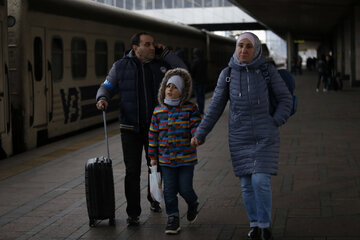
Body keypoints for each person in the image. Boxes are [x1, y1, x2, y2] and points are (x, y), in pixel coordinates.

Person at [191, 32, 292, 240]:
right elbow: (215, 107)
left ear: (256, 50)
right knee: (246, 184)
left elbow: (285, 99)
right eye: (240, 46)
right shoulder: (227, 74)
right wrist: (200, 133)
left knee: (260, 181)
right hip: (239, 137)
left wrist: (275, 121)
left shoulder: (267, 71)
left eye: (248, 46)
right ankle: (254, 223)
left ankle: (265, 225)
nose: (243, 50)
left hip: (265, 135)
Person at [95, 32, 187, 226]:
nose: (153, 47)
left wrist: (167, 54)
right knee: (132, 171)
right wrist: (102, 98)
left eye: (154, 44)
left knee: (156, 167)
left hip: (156, 128)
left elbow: (184, 72)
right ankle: (133, 212)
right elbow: (107, 86)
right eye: (148, 44)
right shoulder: (120, 67)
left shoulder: (161, 67)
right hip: (130, 128)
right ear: (136, 48)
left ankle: (154, 199)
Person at [148, 68, 201, 235]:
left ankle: (193, 203)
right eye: (168, 86)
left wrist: (197, 136)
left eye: (175, 87)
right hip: (166, 160)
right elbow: (153, 135)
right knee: (169, 190)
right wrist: (152, 157)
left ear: (182, 92)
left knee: (185, 189)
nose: (170, 89)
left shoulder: (190, 109)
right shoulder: (158, 111)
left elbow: (196, 126)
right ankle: (173, 218)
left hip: (186, 158)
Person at [191, 48, 207, 114]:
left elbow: (192, 72)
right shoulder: (204, 61)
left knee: (198, 96)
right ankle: (202, 109)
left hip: (197, 82)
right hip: (203, 81)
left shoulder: (195, 62)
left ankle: (200, 109)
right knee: (202, 96)